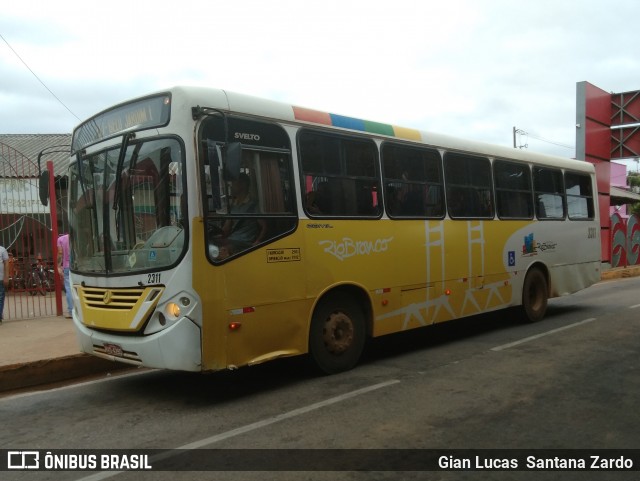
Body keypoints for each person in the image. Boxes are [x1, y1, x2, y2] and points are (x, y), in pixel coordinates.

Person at [57, 233, 73, 318]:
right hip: (78, 267)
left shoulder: (61, 239)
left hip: (67, 266)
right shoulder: (77, 236)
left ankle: (71, 311)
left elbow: (60, 252)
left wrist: (58, 266)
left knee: (69, 288)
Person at [0, 245, 8, 324]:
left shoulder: (2, 249)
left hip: (0, 278)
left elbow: (6, 263)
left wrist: (6, 276)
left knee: (0, 298)